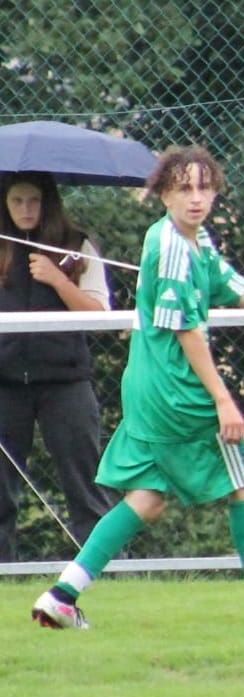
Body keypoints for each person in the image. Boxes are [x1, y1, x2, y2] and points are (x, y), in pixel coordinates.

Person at [31, 146, 244, 629]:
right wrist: (222, 399)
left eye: (204, 187)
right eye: (183, 188)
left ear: (214, 191)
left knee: (148, 497)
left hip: (148, 388)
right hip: (178, 393)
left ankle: (63, 594)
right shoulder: (174, 247)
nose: (196, 198)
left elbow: (237, 286)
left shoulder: (191, 240)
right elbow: (186, 332)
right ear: (163, 196)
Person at [0, 172, 115, 559]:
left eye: (34, 201)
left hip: (66, 381)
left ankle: (99, 571)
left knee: (85, 484)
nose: (25, 210)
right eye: (17, 201)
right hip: (5, 382)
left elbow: (100, 315)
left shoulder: (77, 246)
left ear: (48, 202)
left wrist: (57, 280)